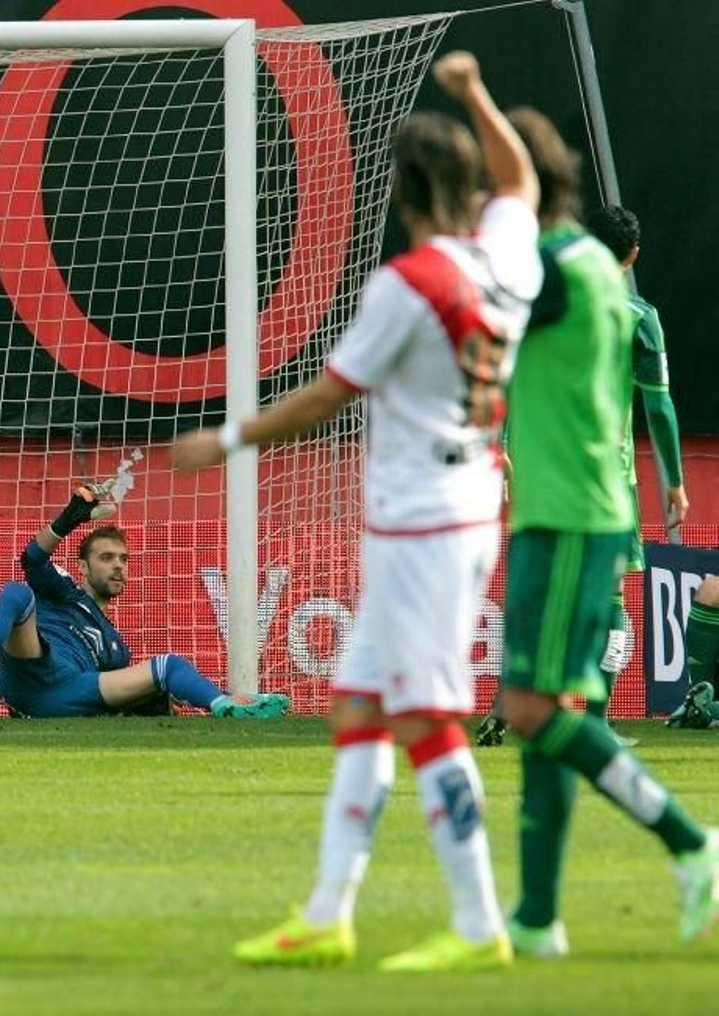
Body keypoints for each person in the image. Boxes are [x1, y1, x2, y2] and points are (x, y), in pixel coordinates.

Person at [177, 52, 540, 972]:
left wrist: (225, 441)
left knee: (424, 718)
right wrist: (472, 91)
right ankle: (328, 910)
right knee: (360, 705)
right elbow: (523, 180)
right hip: (462, 499)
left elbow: (325, 399)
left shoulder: (409, 284)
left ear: (402, 192)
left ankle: (476, 921)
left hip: (423, 518)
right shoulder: (506, 258)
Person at [494, 110, 717, 955]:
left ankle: (692, 842)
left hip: (580, 509)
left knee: (534, 704)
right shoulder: (597, 286)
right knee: (542, 706)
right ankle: (539, 916)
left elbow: (655, 404)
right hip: (562, 502)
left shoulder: (567, 278)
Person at [476, 203, 687, 749]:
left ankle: (510, 698)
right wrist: (675, 481)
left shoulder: (539, 308)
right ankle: (593, 714)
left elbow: (501, 378)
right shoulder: (638, 316)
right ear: (633, 255)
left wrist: (499, 450)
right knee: (610, 596)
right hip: (604, 476)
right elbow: (659, 408)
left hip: (538, 466)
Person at [0, 482, 290, 719]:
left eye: (123, 559)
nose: (118, 566)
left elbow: (122, 700)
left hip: (65, 696)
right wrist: (65, 522)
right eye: (107, 558)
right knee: (17, 593)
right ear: (83, 567)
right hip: (32, 670)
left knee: (168, 666)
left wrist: (158, 702)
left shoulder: (116, 647)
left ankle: (227, 705)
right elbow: (32, 560)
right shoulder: (63, 590)